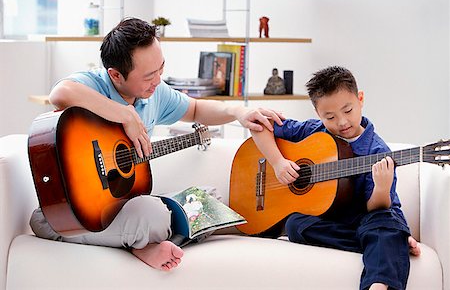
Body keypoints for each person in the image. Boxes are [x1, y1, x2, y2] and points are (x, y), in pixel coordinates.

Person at [29, 17, 284, 272]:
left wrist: (237, 111)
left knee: (207, 199)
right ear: (116, 75)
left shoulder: (154, 93)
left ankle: (143, 240)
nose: (158, 80)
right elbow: (60, 93)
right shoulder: (95, 84)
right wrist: (124, 113)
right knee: (154, 216)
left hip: (124, 206)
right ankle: (145, 243)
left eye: (161, 69)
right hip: (79, 207)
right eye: (150, 75)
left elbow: (195, 109)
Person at [249, 66, 421, 290]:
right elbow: (258, 125)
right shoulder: (313, 131)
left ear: (360, 99)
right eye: (330, 116)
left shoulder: (377, 151)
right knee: (294, 225)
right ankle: (387, 242)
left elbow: (377, 207)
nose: (342, 122)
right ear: (318, 114)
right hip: (332, 219)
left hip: (369, 215)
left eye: (348, 110)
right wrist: (277, 162)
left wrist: (382, 186)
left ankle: (379, 276)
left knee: (382, 223)